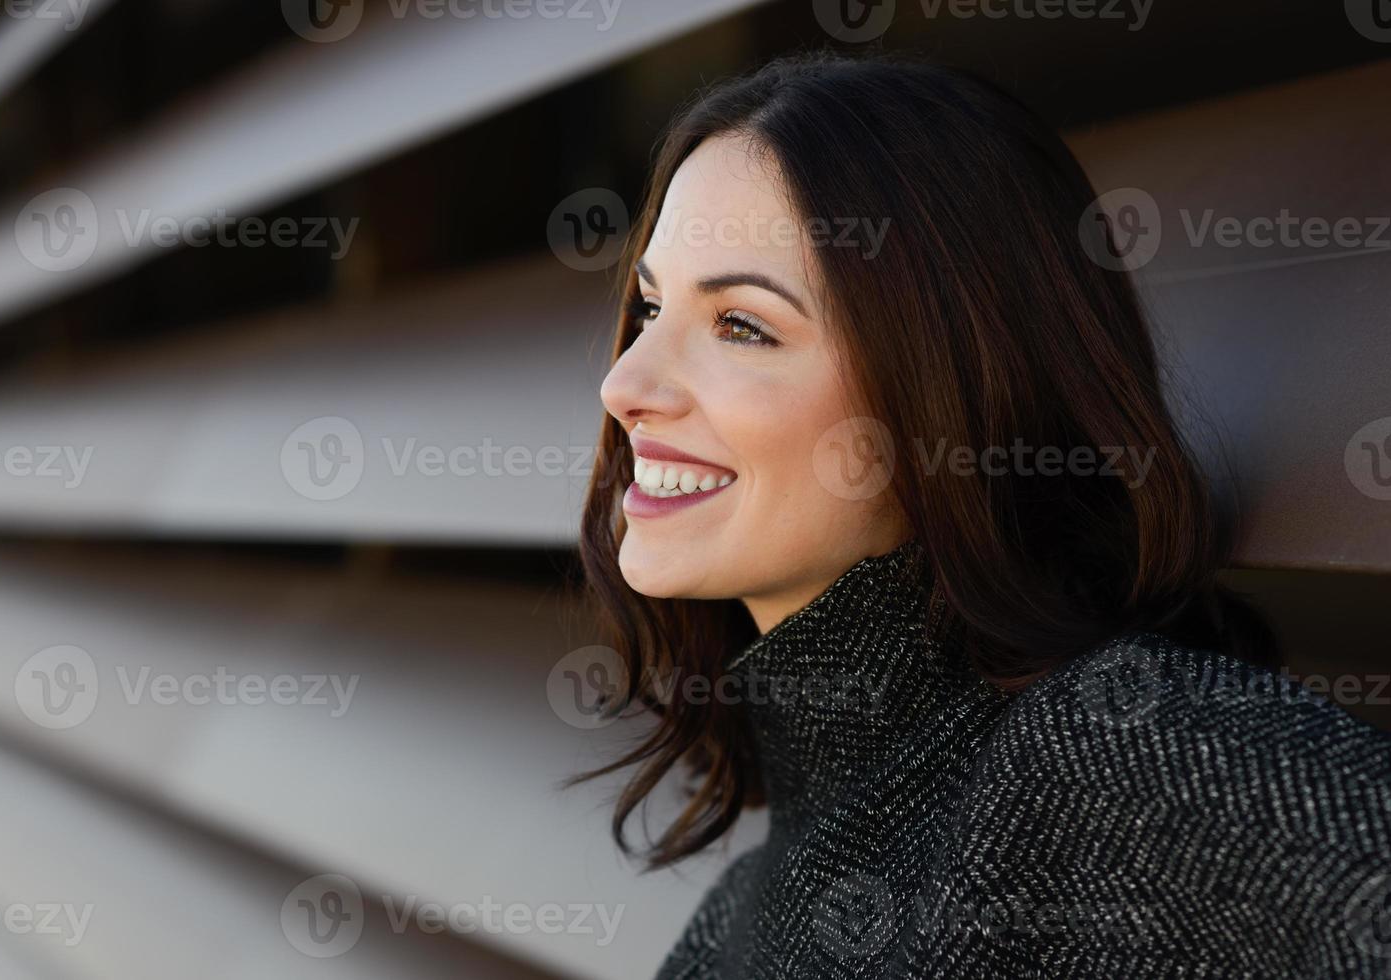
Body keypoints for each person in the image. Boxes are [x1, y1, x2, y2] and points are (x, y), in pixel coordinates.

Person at [574, 50, 1391, 978]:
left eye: (742, 326)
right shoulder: (737, 919)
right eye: (648, 307)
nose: (624, 383)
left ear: (950, 392)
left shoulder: (1111, 747)